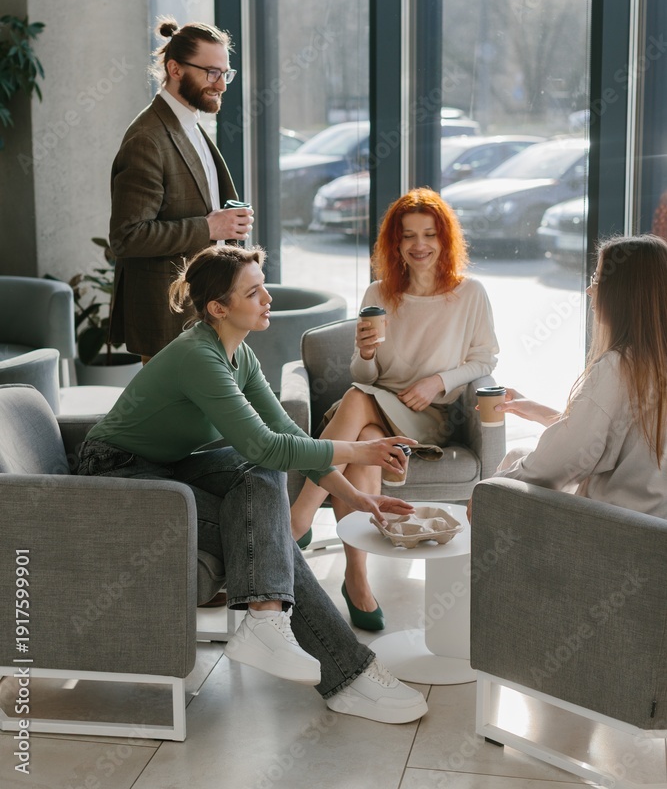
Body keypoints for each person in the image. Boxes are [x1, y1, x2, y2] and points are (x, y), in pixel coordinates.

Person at [77, 243, 428, 724]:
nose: (268, 299)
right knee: (268, 523)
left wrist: (357, 496)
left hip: (166, 469)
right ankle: (347, 674)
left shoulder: (240, 356)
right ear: (218, 308)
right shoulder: (198, 357)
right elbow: (265, 445)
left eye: (263, 287)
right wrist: (360, 452)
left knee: (259, 476)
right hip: (113, 478)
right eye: (253, 292)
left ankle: (268, 622)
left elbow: (284, 437)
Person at [290, 187, 499, 630]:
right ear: (396, 243)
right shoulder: (379, 293)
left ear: (444, 239)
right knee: (364, 437)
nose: (419, 245)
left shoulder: (470, 294)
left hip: (429, 416)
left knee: (356, 402)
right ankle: (357, 579)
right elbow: (364, 376)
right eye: (408, 236)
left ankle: (300, 516)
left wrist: (438, 381)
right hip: (374, 407)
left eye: (429, 234)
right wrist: (366, 353)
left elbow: (485, 360)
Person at [470, 234, 667, 519]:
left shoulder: (620, 367)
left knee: (509, 472)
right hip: (654, 521)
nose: (589, 289)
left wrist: (488, 489)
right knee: (518, 458)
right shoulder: (653, 362)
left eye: (598, 278)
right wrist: (538, 410)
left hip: (617, 525)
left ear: (625, 292)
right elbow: (609, 436)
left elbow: (555, 465)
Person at [108, 18, 254, 363]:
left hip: (203, 309)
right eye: (212, 73)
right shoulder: (147, 138)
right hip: (168, 318)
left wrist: (227, 225)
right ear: (175, 69)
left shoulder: (190, 125)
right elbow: (127, 237)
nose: (221, 85)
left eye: (226, 73)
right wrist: (210, 227)